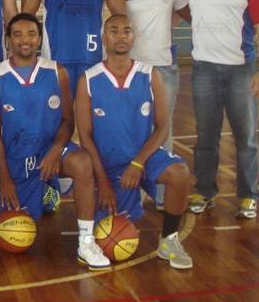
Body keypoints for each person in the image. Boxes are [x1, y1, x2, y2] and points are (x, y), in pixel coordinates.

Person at [0, 13, 110, 270]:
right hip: (18, 160)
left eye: (31, 34)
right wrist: (4, 178)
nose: (25, 40)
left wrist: (56, 149)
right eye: (17, 34)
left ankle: (86, 241)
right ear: (8, 40)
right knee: (14, 237)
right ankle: (38, 191)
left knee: (82, 162)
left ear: (40, 39)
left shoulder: (57, 72)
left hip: (51, 153)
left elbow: (67, 121)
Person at [76, 14, 193, 269]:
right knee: (106, 233)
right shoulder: (88, 79)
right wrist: (102, 181)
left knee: (179, 172)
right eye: (114, 31)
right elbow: (85, 136)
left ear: (133, 37)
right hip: (107, 165)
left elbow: (162, 127)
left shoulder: (150, 74)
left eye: (126, 31)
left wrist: (138, 163)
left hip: (143, 158)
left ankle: (169, 241)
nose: (121, 36)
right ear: (104, 38)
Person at [185, 0, 259, 219]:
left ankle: (249, 195)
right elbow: (182, 11)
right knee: (205, 137)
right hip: (204, 71)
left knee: (245, 137)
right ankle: (204, 191)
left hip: (241, 71)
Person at [121, 0, 191, 208]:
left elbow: (191, 16)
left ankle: (162, 194)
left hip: (163, 68)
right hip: (132, 68)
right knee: (134, 128)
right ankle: (135, 192)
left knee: (164, 127)